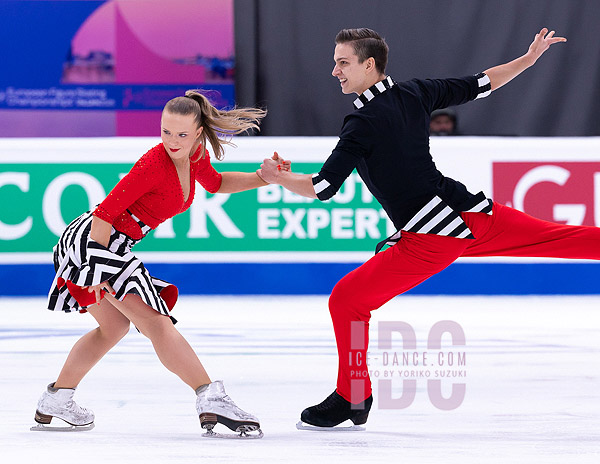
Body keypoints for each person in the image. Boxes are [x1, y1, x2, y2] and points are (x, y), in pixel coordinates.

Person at [258, 27, 598, 430]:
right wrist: (528, 59)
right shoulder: (415, 93)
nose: (335, 71)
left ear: (369, 65)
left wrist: (277, 178)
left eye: (342, 62)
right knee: (566, 237)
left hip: (433, 235)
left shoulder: (361, 123)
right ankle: (352, 394)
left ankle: (352, 396)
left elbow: (323, 188)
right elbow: (483, 83)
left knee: (347, 299)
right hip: (472, 215)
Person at [33, 90, 284, 438]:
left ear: (198, 133)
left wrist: (262, 177)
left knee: (115, 328)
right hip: (95, 242)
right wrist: (94, 269)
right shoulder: (153, 163)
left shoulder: (195, 155)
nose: (172, 141)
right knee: (157, 324)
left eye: (182, 133)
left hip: (109, 244)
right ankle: (209, 395)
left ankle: (57, 399)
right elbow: (105, 215)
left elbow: (216, 182)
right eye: (166, 132)